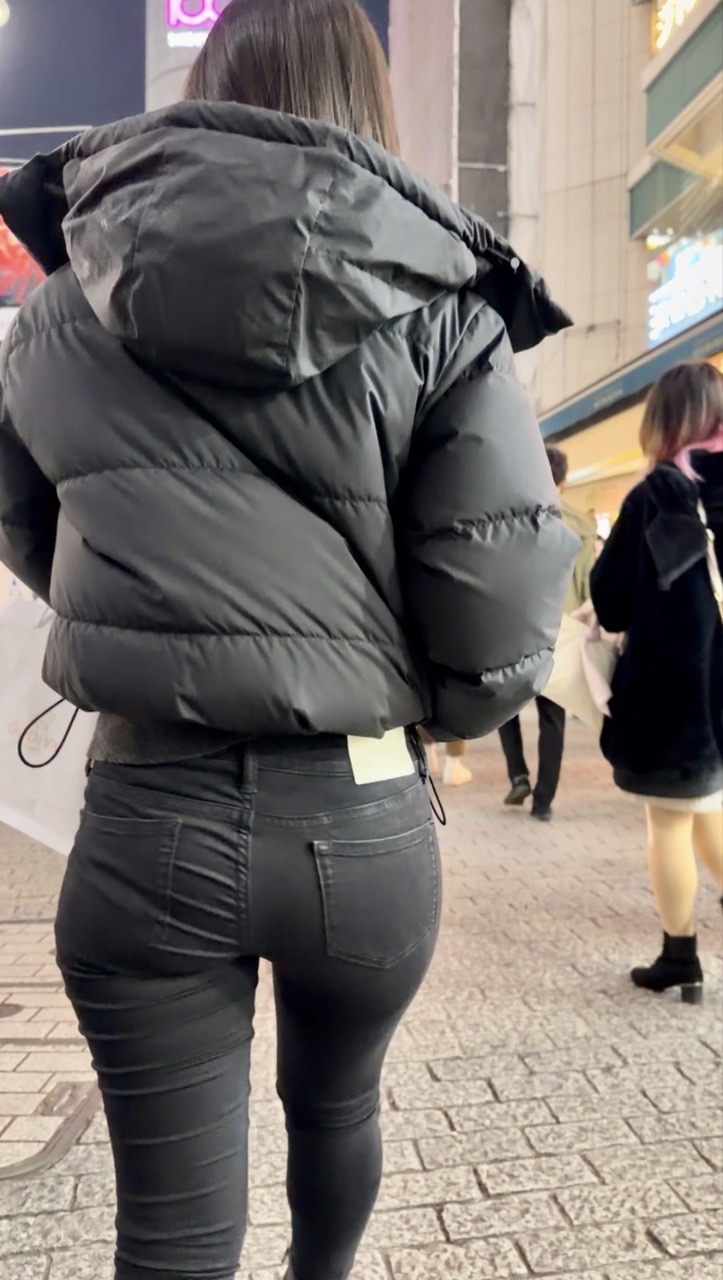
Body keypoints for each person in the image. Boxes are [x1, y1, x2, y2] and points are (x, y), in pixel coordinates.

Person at [0, 2, 577, 1277]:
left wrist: (158, 623)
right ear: (365, 107)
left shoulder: (58, 312)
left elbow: (32, 524)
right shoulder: (443, 309)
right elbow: (498, 597)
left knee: (170, 1227)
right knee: (337, 1107)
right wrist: (435, 708)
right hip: (359, 813)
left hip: (147, 809)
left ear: (206, 92)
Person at [591, 362, 723, 1004]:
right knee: (710, 809)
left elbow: (612, 600)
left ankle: (680, 957)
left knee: (669, 821)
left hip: (677, 697)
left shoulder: (657, 495)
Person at [499, 445, 596, 820]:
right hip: (562, 629)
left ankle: (518, 775)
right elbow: (587, 585)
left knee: (503, 706)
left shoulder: (513, 517)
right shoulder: (580, 525)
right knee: (553, 718)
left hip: (516, 627)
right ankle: (543, 802)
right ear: (565, 481)